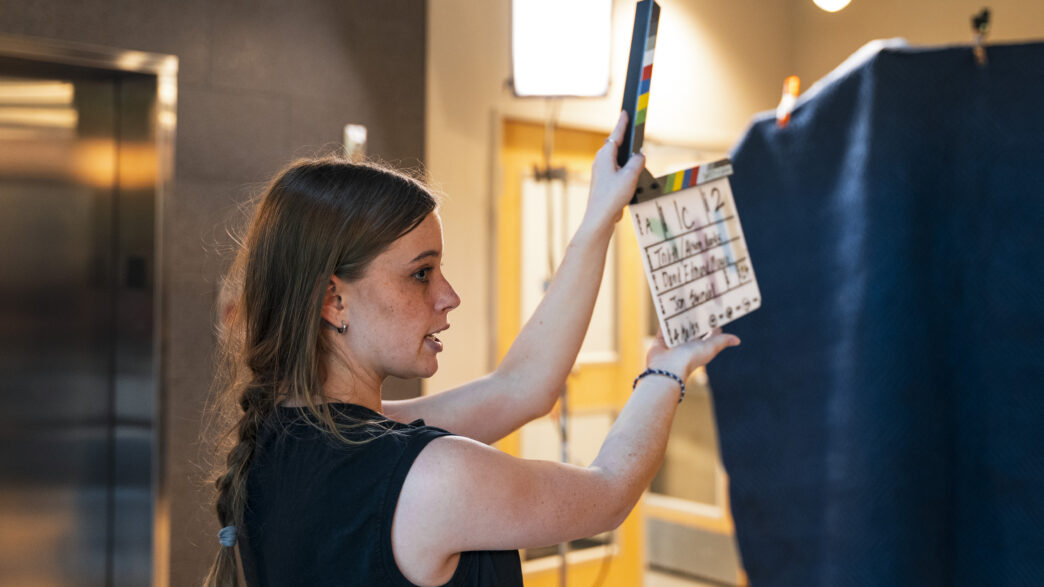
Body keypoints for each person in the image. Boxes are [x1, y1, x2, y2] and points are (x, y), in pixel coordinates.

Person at [204, 112, 740, 587]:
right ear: (333, 300)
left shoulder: (279, 439)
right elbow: (609, 493)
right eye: (421, 274)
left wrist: (600, 217)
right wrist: (667, 370)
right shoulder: (433, 476)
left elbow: (520, 388)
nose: (449, 296)